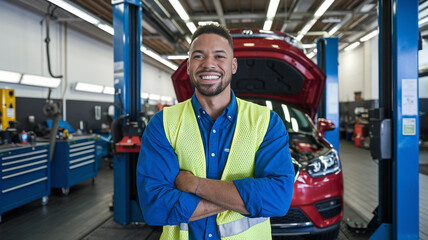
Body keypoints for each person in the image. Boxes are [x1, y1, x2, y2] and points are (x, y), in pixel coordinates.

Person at [137, 24, 295, 240]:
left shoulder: (266, 122)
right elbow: (155, 207)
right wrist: (240, 198)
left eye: (219, 56)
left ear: (233, 65)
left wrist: (195, 184)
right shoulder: (163, 123)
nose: (208, 64)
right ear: (189, 65)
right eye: (198, 56)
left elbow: (278, 199)